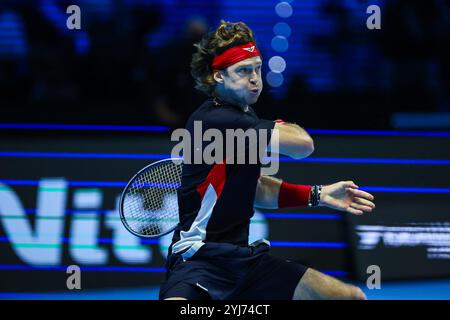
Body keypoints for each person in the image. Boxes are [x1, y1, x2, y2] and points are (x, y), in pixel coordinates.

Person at [159, 20, 375, 300]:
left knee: (350, 298)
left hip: (245, 263)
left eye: (257, 68)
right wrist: (278, 125)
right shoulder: (213, 120)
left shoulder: (245, 120)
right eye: (243, 71)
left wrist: (318, 195)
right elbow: (303, 145)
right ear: (218, 77)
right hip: (199, 262)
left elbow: (257, 188)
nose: (254, 78)